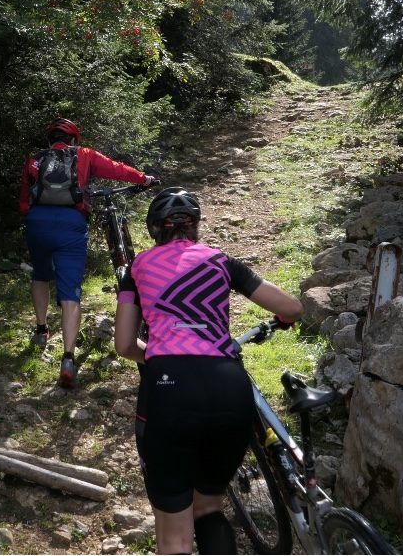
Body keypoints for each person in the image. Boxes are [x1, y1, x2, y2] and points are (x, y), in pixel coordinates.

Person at [114, 187, 303, 555]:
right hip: (229, 389)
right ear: (195, 226)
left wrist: (157, 357)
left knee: (174, 539)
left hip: (170, 391)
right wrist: (282, 319)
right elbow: (293, 308)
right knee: (209, 507)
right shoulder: (221, 261)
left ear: (155, 229)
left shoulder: (136, 269)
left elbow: (123, 344)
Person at [20, 117, 156, 389]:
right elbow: (116, 169)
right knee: (70, 291)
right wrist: (144, 178)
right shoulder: (85, 155)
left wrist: (33, 219)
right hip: (71, 225)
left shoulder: (34, 160)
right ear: (74, 140)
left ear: (50, 140)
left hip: (37, 223)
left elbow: (25, 199)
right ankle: (68, 358)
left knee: (40, 275)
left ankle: (41, 330)